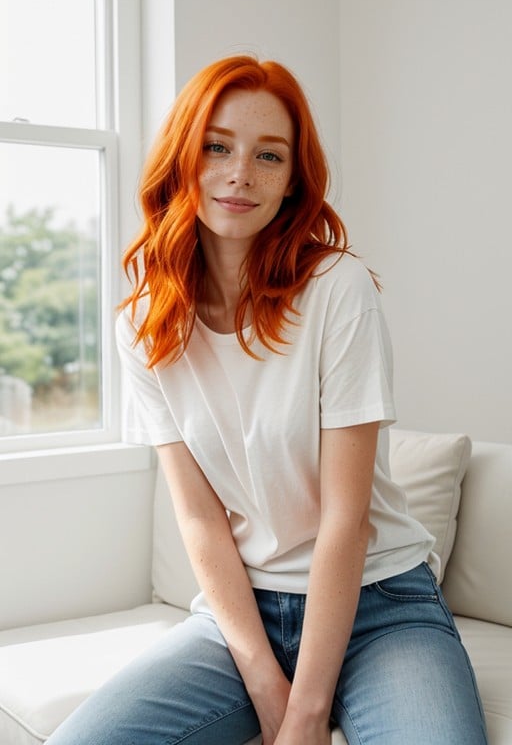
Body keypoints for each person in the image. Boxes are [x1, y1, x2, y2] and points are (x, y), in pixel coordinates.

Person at [47, 55, 488, 745]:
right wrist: (264, 682)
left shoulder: (337, 290)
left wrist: (308, 712)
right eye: (216, 146)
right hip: (241, 615)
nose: (239, 174)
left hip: (381, 605)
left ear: (292, 181)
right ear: (183, 157)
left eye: (269, 156)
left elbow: (344, 520)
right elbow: (198, 518)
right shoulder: (142, 323)